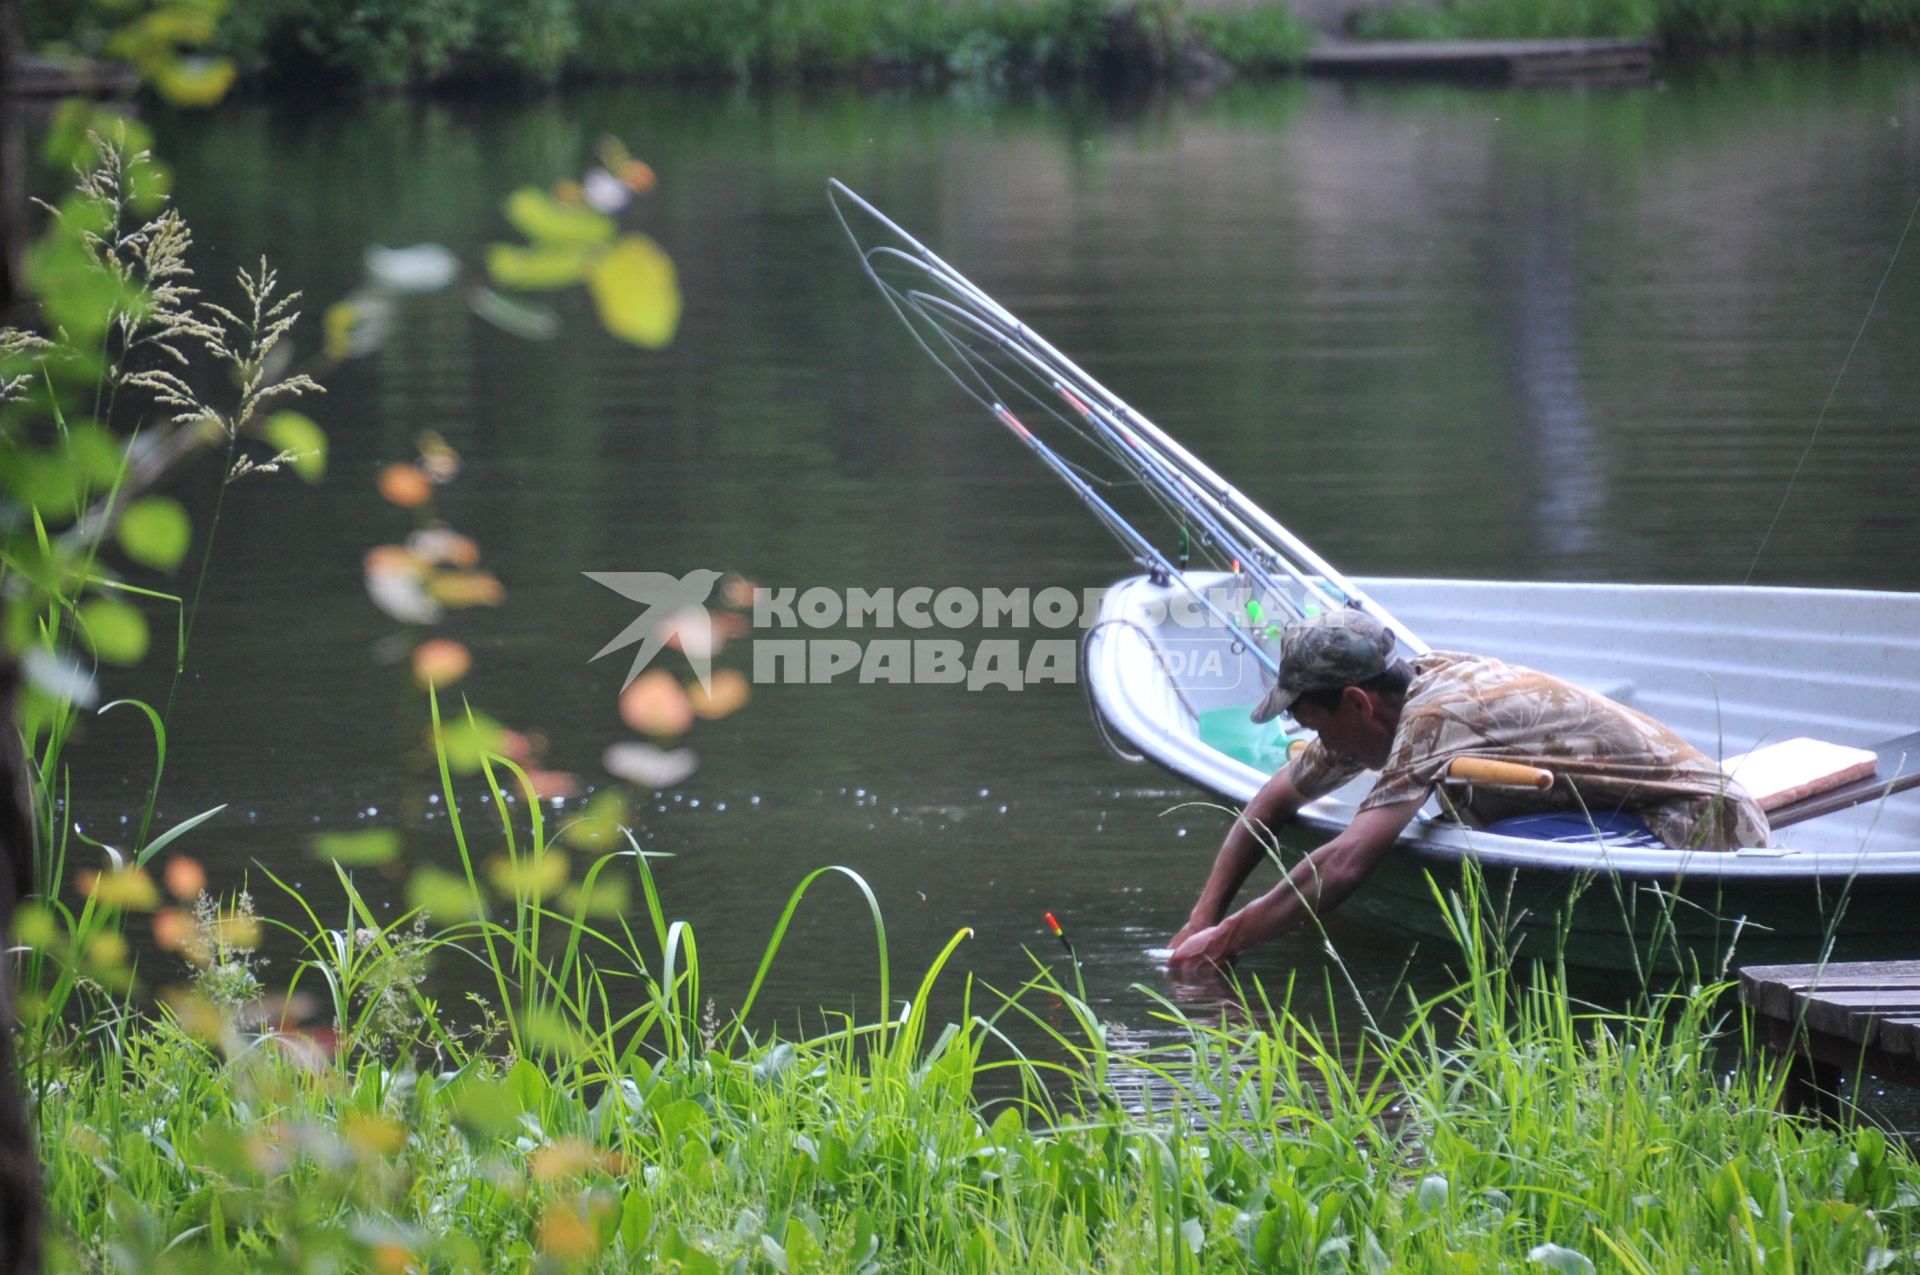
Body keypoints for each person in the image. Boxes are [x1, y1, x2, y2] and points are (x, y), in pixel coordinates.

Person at [1166, 608, 1769, 969]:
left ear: (1357, 701)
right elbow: (1274, 799)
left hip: (1698, 826)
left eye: (1316, 724)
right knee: (1472, 820)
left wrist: (1229, 940)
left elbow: (1348, 862)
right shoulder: (1392, 701)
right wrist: (1203, 916)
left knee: (1476, 833)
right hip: (1625, 814)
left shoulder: (1440, 714)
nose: (1324, 745)